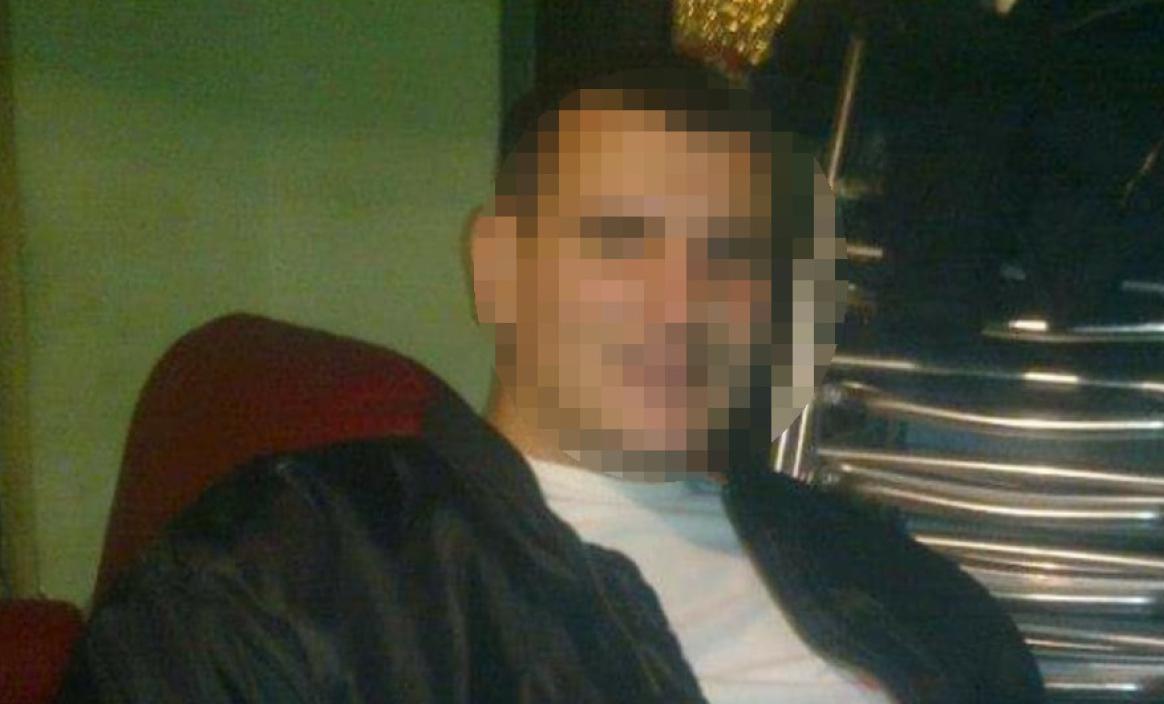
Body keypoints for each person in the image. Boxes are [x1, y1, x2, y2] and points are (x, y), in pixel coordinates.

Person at [57, 60, 1044, 704]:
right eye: (620, 238)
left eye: (731, 253)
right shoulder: (290, 564)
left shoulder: (885, 574)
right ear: (496, 269)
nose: (682, 301)